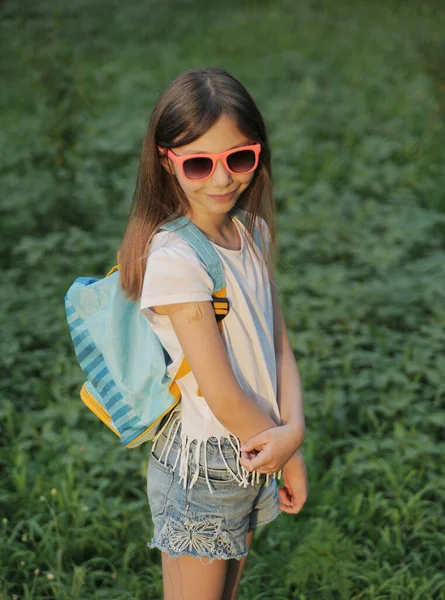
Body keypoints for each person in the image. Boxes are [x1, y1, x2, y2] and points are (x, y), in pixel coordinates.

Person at [118, 67, 309, 600]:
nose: (223, 180)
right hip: (205, 467)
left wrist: (288, 438)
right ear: (166, 160)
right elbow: (222, 393)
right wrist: (288, 444)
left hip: (254, 451)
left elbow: (279, 347)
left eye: (239, 158)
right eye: (199, 164)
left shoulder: (252, 234)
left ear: (258, 152)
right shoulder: (176, 259)